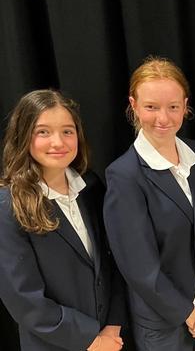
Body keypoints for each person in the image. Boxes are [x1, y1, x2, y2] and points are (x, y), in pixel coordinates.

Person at [103, 57, 195, 350]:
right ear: (133, 106)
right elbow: (140, 268)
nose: (163, 118)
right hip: (164, 325)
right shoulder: (124, 176)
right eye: (151, 107)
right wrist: (188, 313)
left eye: (173, 107)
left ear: (185, 106)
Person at [0, 89, 126, 350]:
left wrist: (113, 325)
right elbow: (24, 299)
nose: (58, 142)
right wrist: (91, 340)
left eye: (67, 131)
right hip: (57, 343)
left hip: (110, 338)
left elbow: (113, 261)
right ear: (23, 136)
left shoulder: (91, 187)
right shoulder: (8, 205)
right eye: (43, 132)